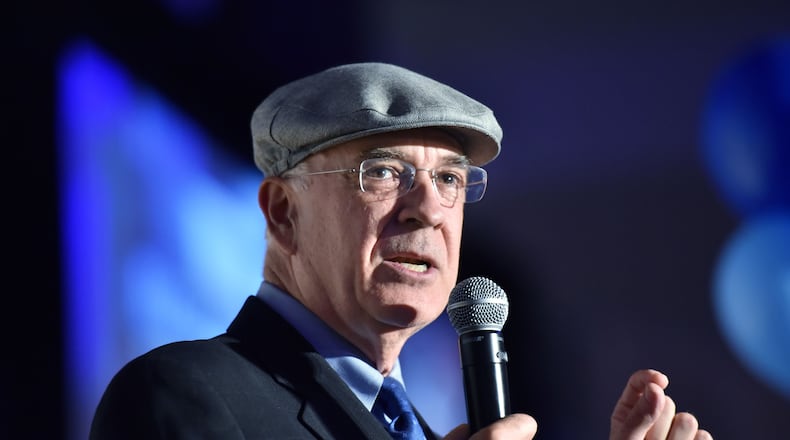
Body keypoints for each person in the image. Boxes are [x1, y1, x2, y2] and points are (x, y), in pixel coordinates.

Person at [90, 62, 713, 440]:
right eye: (385, 172)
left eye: (450, 179)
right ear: (283, 212)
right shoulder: (183, 392)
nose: (429, 209)